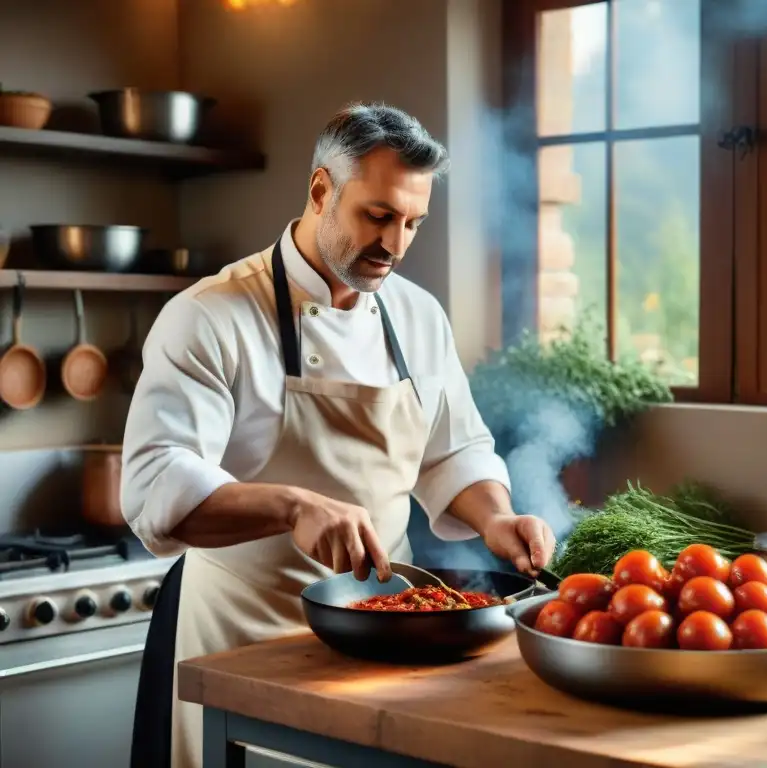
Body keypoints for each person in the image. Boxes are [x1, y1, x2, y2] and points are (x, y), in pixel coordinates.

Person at [123, 102, 556, 768]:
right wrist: (291, 506)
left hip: (387, 635)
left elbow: (454, 451)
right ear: (321, 190)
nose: (396, 244)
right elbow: (155, 489)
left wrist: (497, 518)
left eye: (413, 222)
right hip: (240, 635)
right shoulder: (211, 317)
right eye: (377, 216)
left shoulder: (418, 315)